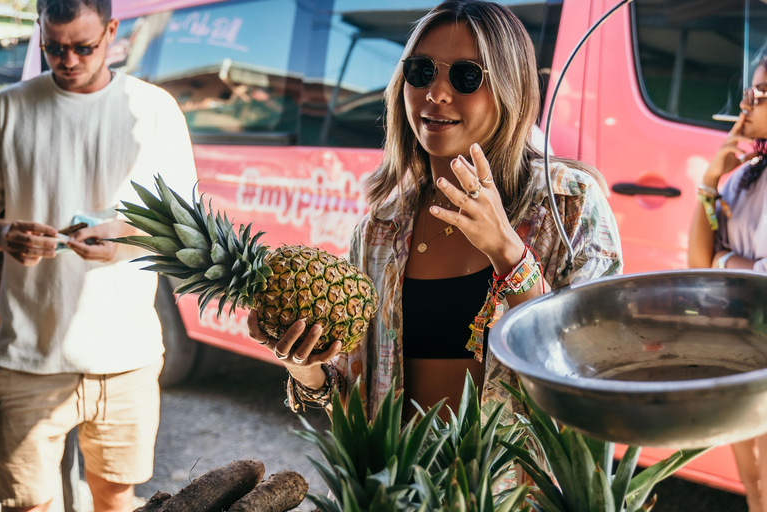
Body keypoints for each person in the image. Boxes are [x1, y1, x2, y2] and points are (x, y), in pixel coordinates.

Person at [247, 0, 622, 423]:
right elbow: (358, 403)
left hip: (512, 489)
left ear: (510, 90)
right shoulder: (380, 230)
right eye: (422, 71)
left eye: (465, 76)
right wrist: (303, 365)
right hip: (400, 485)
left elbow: (595, 373)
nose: (436, 93)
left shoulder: (570, 205)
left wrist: (510, 255)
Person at [0, 0, 197, 510]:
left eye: (83, 47)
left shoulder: (153, 110)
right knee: (27, 503)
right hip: (25, 354)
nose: (67, 60)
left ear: (113, 32)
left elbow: (189, 226)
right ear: (40, 34)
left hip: (124, 354)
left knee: (116, 496)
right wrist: (5, 235)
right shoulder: (8, 107)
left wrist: (127, 236)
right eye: (53, 48)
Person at [688, 55, 767, 512]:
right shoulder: (742, 180)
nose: (746, 102)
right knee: (753, 482)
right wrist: (709, 182)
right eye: (749, 90)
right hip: (740, 344)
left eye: (761, 92)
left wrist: (725, 260)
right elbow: (699, 263)